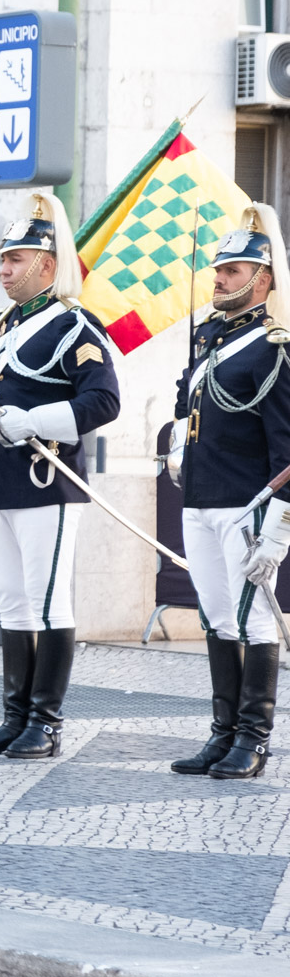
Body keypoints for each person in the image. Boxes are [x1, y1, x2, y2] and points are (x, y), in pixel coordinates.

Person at [0, 195, 120, 757]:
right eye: (3, 260)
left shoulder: (74, 325)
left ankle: (46, 724)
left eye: (15, 260)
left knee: (49, 601)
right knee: (11, 602)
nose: (3, 270)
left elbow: (104, 402)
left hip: (45, 481)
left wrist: (33, 421)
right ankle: (15, 717)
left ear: (47, 265)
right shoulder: (1, 325)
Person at [165, 206, 290, 779]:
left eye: (233, 271)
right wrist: (177, 443)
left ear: (263, 280)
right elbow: (187, 406)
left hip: (248, 504)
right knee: (216, 618)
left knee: (255, 621)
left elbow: (286, 446)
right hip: (199, 498)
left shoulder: (273, 347)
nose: (218, 278)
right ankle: (223, 734)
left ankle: (253, 739)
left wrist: (278, 530)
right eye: (218, 269)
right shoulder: (208, 336)